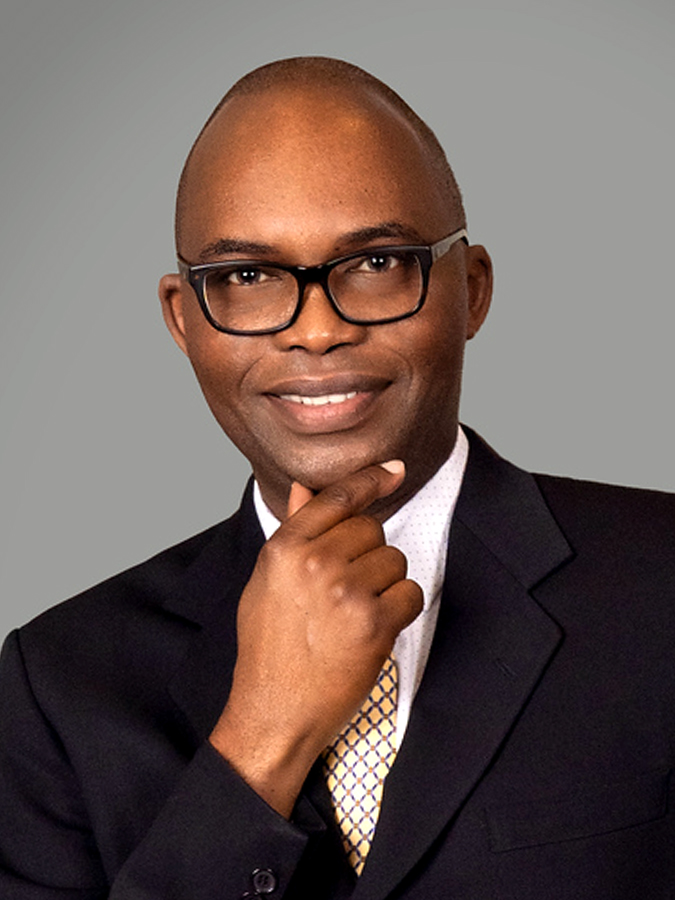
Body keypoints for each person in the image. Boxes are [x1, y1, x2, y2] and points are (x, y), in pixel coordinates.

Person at [0, 56, 674, 900]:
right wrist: (261, 742)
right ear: (184, 319)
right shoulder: (58, 685)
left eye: (377, 263)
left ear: (469, 291)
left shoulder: (660, 585)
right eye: (246, 277)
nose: (316, 330)